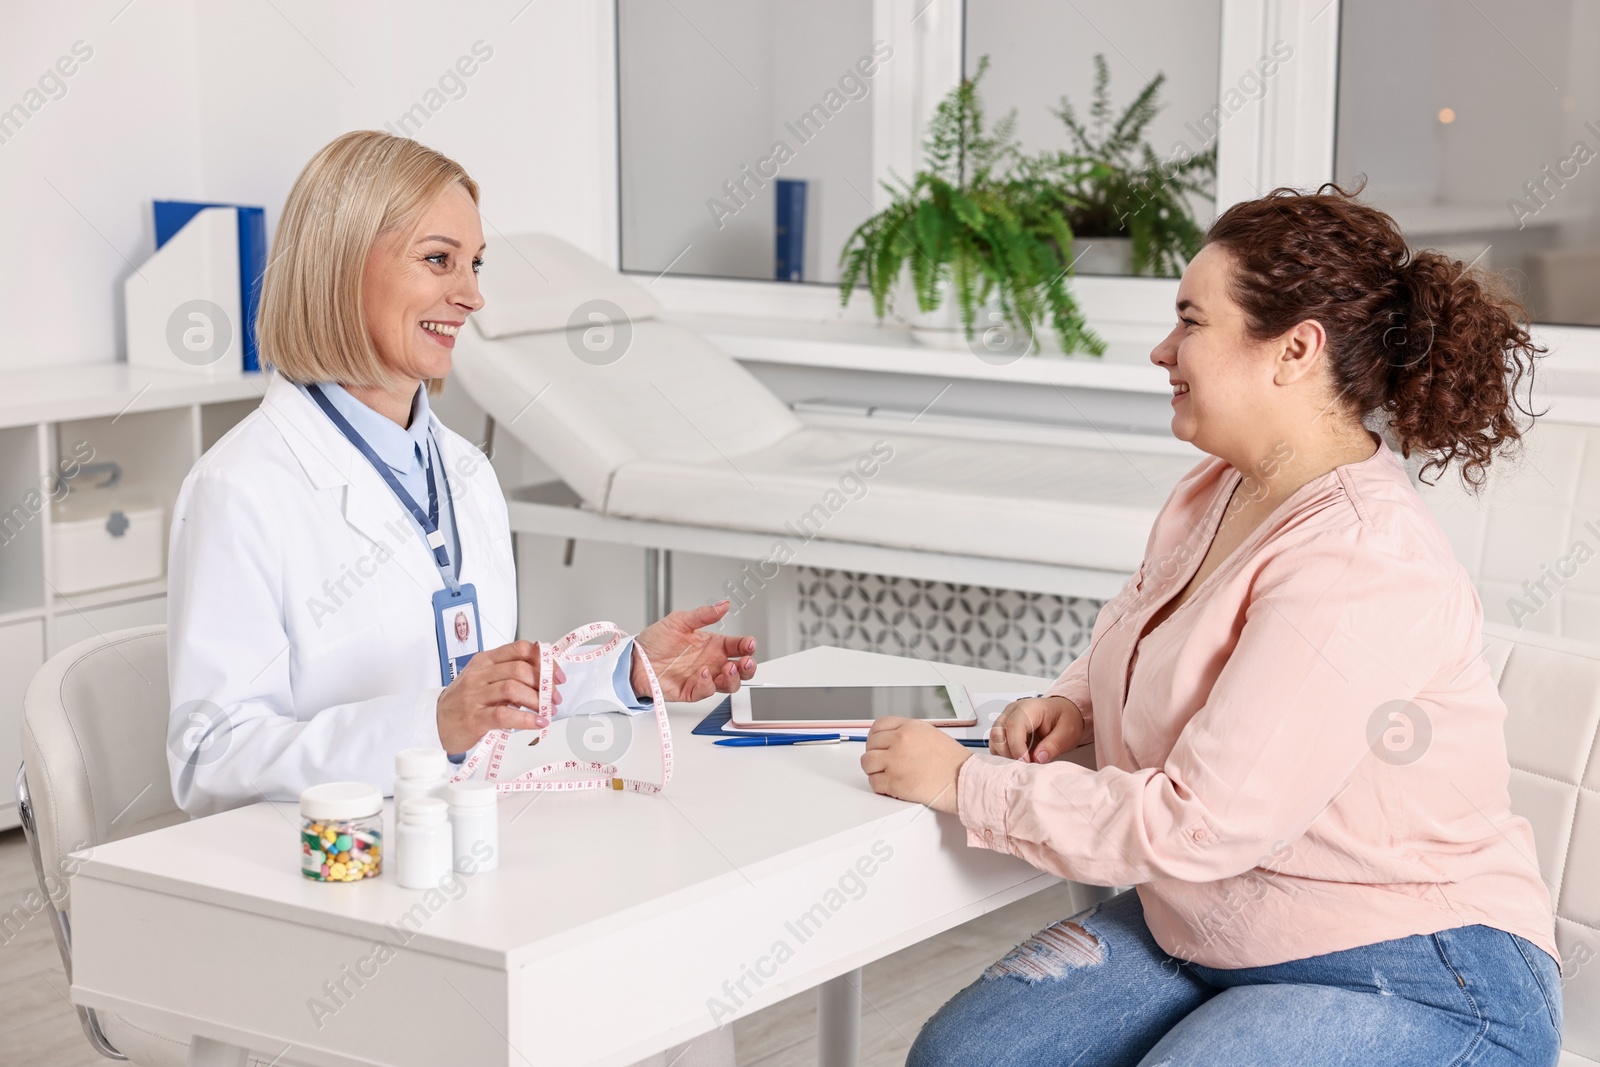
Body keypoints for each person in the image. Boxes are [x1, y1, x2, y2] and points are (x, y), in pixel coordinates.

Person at [861, 185, 1563, 1066]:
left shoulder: (1363, 558)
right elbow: (1144, 633)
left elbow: (1198, 824)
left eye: (1190, 320)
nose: (1163, 349)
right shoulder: (1220, 486)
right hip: (1212, 920)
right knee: (965, 1057)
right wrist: (1074, 702)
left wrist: (965, 785)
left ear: (1295, 349)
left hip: (1421, 964)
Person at [166, 130, 748, 1067]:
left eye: (473, 264)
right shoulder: (245, 487)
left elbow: (488, 700)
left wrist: (619, 672)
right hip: (335, 906)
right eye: (439, 261)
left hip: (471, 860)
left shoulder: (467, 475)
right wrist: (435, 719)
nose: (473, 294)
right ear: (339, 264)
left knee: (682, 991)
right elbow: (209, 758)